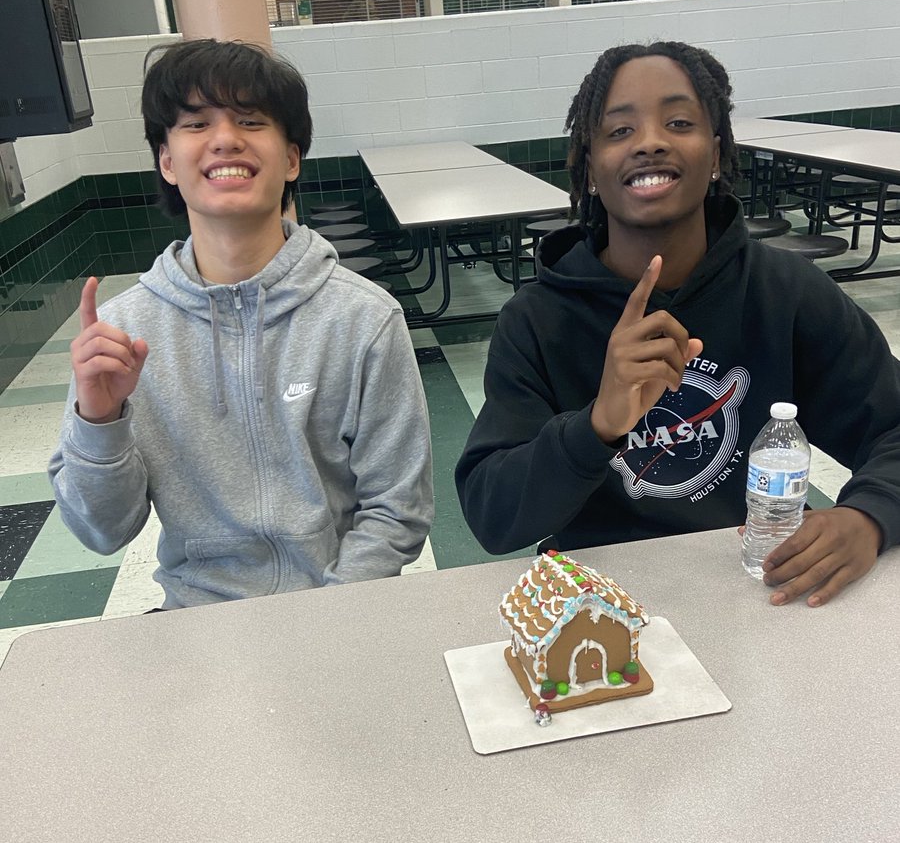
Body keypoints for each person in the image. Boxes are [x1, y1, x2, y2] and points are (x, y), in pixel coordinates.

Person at [456, 40, 900, 607]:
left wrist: (869, 514)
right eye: (619, 132)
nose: (649, 142)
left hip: (760, 583)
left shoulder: (786, 292)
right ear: (590, 168)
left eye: (679, 122)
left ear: (716, 155)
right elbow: (494, 518)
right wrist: (596, 425)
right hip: (600, 601)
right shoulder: (538, 320)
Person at [50, 39, 433, 610]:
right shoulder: (122, 333)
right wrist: (99, 421)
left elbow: (397, 507)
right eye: (196, 123)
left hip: (337, 610)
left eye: (251, 121)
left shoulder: (363, 318)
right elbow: (101, 533)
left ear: (292, 158)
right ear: (167, 161)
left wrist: (326, 617)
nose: (226, 138)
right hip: (195, 617)